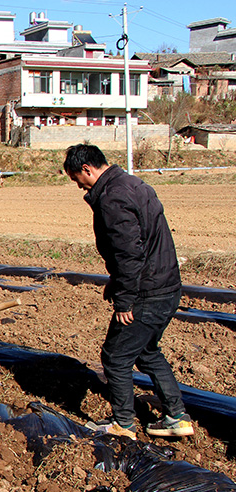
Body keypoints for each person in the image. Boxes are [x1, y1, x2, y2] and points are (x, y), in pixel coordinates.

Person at [63, 144, 194, 440]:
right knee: (147, 352)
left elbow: (129, 254)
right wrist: (117, 281)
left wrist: (125, 300)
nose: (77, 185)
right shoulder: (134, 185)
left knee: (115, 357)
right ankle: (176, 416)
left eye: (76, 178)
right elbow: (142, 245)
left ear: (87, 169)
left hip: (146, 293)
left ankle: (123, 424)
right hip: (167, 286)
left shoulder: (112, 198)